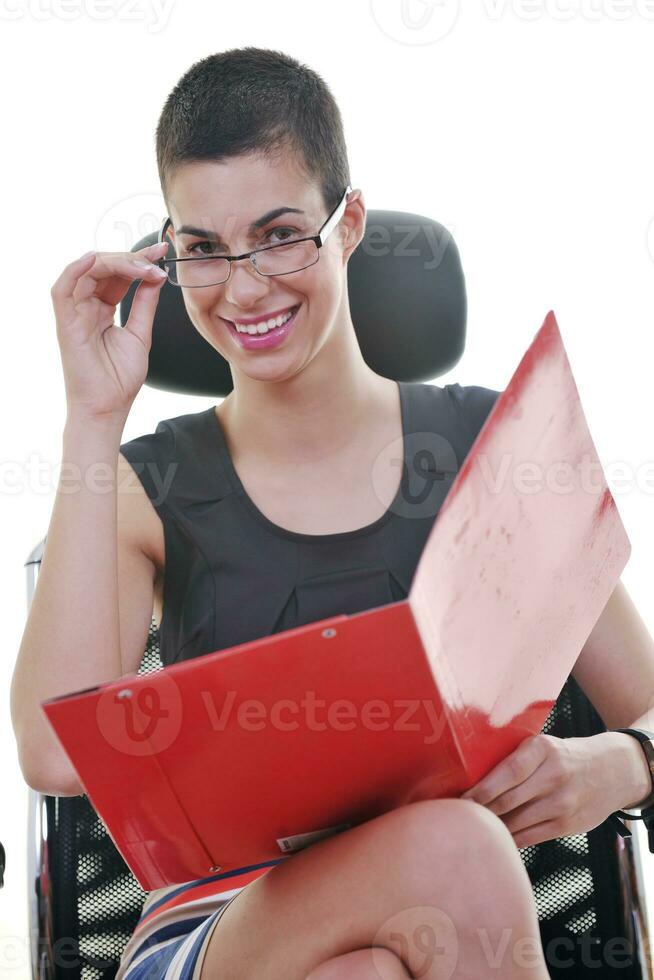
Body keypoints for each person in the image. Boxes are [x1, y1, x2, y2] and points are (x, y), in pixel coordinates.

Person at [11, 46, 654, 980]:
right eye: (204, 249)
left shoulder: (492, 445)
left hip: (444, 937)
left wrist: (620, 768)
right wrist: (91, 419)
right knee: (455, 849)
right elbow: (51, 754)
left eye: (278, 234)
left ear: (347, 223)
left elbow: (648, 705)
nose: (244, 286)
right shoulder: (144, 488)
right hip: (221, 931)